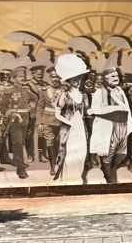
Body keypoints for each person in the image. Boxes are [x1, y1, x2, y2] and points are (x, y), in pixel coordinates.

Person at [88, 66, 132, 183]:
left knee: (121, 154)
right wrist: (114, 108)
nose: (116, 78)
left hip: (122, 125)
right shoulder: (100, 91)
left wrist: (130, 123)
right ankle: (109, 180)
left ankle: (108, 171)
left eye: (117, 76)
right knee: (108, 153)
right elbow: (95, 108)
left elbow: (127, 108)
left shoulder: (120, 90)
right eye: (113, 76)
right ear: (106, 79)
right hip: (109, 125)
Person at [53, 54, 91, 185]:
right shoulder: (63, 95)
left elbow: (88, 111)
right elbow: (57, 113)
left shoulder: (84, 95)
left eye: (79, 78)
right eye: (75, 79)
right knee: (68, 155)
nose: (78, 81)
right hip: (68, 130)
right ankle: (68, 181)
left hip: (81, 130)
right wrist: (70, 123)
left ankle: (78, 179)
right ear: (68, 80)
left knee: (81, 154)